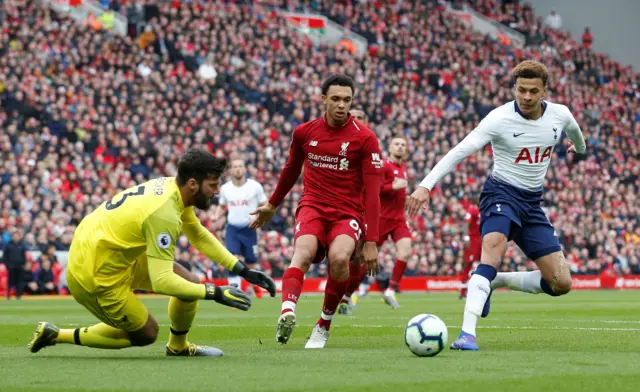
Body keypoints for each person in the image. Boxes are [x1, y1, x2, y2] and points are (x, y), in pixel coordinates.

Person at [406, 60, 587, 351]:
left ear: (544, 91)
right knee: (492, 248)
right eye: (521, 90)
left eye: (533, 91)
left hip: (532, 203)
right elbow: (459, 151)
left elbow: (577, 134)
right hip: (500, 194)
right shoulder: (498, 119)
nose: (526, 97)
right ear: (514, 88)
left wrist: (578, 149)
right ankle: (467, 334)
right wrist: (426, 185)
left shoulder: (560, 115)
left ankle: (493, 281)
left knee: (561, 282)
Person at [28, 148, 276, 357]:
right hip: (93, 272)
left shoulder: (174, 189)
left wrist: (241, 270)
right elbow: (162, 280)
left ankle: (178, 348)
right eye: (212, 185)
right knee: (146, 333)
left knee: (189, 282)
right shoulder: (164, 212)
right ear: (193, 184)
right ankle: (57, 334)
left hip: (113, 253)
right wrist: (215, 292)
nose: (217, 192)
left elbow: (198, 234)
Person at [250, 74, 383, 348]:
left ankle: (323, 324)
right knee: (303, 252)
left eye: (347, 100)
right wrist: (272, 205)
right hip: (312, 206)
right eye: (335, 99)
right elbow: (290, 171)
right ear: (323, 99)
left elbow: (373, 193)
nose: (341, 105)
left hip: (347, 213)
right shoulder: (304, 132)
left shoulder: (366, 139)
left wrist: (371, 242)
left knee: (339, 258)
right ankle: (287, 310)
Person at [348, 133, 411, 310]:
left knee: (405, 251)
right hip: (381, 219)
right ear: (389, 148)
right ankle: (351, 291)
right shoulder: (383, 166)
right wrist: (393, 187)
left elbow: (399, 195)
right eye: (396, 144)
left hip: (399, 219)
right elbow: (373, 190)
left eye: (403, 145)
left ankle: (390, 290)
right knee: (368, 260)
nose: (400, 147)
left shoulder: (403, 167)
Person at [214, 159, 268, 298]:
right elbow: (222, 205)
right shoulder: (225, 188)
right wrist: (216, 216)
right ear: (231, 170)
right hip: (233, 229)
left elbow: (265, 204)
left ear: (244, 169)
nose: (237, 169)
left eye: (240, 166)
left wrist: (259, 218)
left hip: (249, 229)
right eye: (235, 166)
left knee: (251, 264)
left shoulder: (255, 186)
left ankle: (255, 286)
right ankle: (234, 292)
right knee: (233, 259)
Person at [459, 196, 481, 300]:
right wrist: (466, 237)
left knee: (481, 264)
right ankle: (463, 291)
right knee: (468, 264)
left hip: (480, 240)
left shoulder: (483, 209)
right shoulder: (473, 209)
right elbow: (465, 223)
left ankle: (479, 289)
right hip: (472, 241)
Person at [2, 229, 28, 300]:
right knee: (10, 282)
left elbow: (24, 256)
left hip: (19, 266)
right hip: (11, 266)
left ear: (19, 236)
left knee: (19, 282)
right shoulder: (8, 245)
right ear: (12, 236)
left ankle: (18, 295)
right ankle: (8, 295)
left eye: (17, 236)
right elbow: (5, 256)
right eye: (14, 236)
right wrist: (7, 265)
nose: (16, 237)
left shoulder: (22, 245)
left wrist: (24, 264)